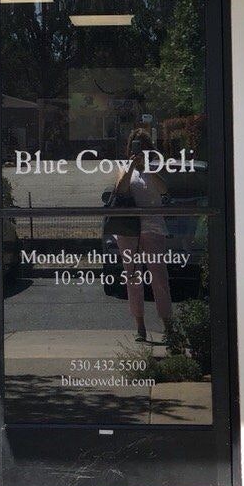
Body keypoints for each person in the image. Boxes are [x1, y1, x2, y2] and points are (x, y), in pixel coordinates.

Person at [107, 128, 173, 343]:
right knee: (133, 277)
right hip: (129, 230)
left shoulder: (155, 168)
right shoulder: (123, 167)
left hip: (153, 227)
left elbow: (164, 191)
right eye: (136, 146)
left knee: (159, 278)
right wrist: (133, 167)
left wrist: (149, 169)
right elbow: (120, 190)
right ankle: (140, 326)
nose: (139, 150)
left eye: (143, 146)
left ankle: (167, 325)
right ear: (130, 148)